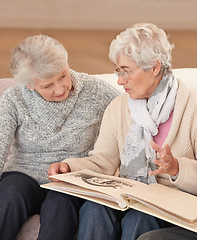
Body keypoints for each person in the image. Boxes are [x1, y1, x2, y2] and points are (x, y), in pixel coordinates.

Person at [48, 22, 197, 240]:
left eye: (126, 72)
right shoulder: (118, 107)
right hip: (131, 197)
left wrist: (176, 169)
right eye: (118, 71)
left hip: (176, 210)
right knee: (94, 209)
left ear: (155, 67)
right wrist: (69, 167)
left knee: (141, 218)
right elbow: (103, 163)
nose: (120, 80)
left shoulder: (192, 107)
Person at [0, 34, 119, 240]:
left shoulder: (95, 91)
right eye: (47, 86)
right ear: (30, 86)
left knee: (61, 204)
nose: (60, 88)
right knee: (9, 194)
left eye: (63, 75)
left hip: (69, 178)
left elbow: (129, 112)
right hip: (22, 175)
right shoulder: (14, 99)